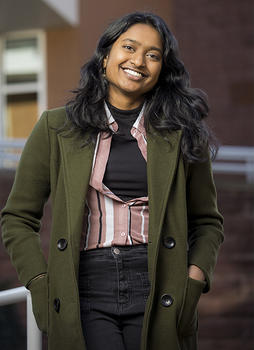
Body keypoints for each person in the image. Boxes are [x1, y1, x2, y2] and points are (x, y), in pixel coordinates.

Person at [1, 11, 224, 350]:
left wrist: (193, 280)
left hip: (159, 285)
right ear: (105, 56)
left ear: (162, 70)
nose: (139, 61)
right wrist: (42, 282)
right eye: (129, 47)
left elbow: (207, 222)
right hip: (85, 286)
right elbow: (17, 218)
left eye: (153, 55)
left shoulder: (182, 133)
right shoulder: (55, 127)